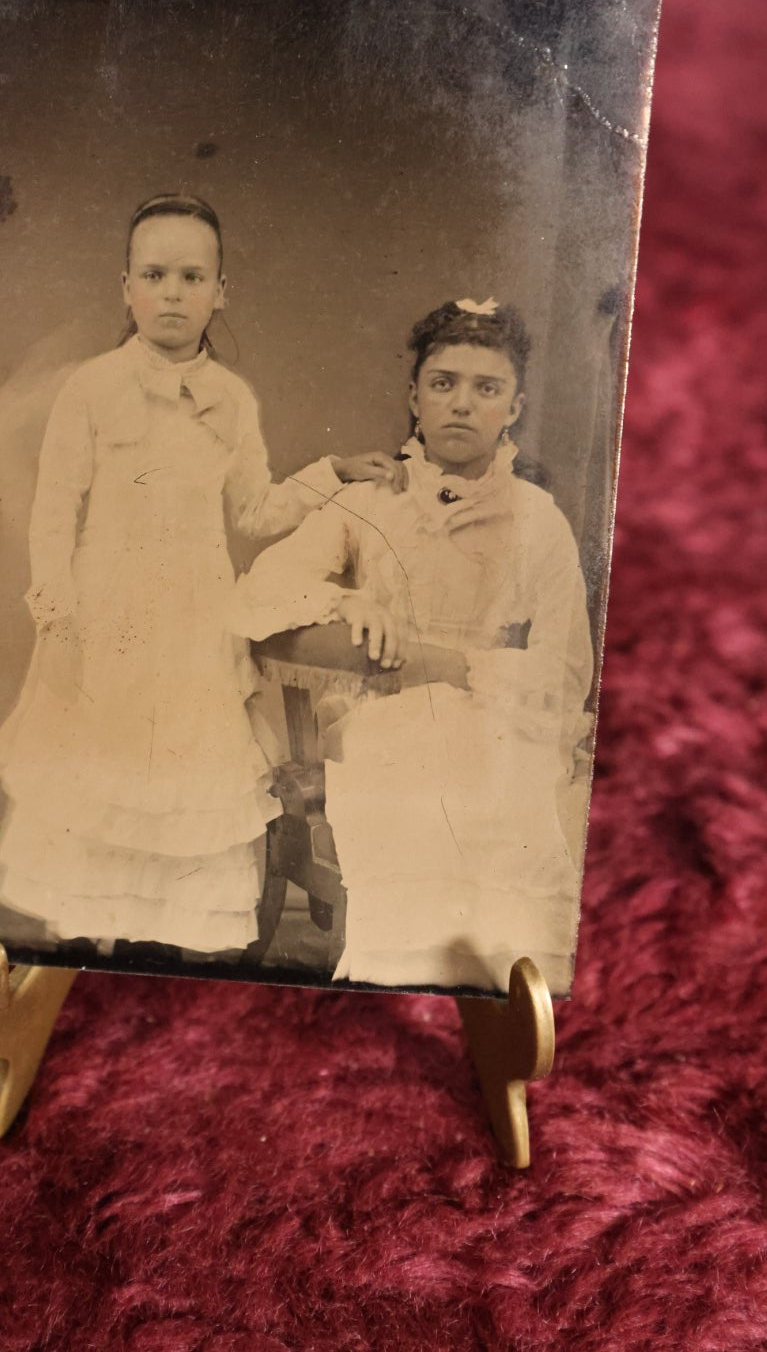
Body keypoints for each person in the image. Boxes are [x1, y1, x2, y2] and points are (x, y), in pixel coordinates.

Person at [0, 194, 404, 956]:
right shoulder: (91, 389)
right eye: (154, 274)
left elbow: (254, 510)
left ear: (220, 290)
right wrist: (61, 618)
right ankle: (93, 952)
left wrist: (334, 471)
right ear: (126, 288)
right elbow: (54, 513)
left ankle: (159, 957)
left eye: (191, 275)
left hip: (193, 627)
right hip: (107, 620)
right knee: (103, 786)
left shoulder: (231, 400)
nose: (173, 292)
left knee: (181, 788)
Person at [232, 298, 594, 993]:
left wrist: (456, 667)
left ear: (514, 407)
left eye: (486, 389)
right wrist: (348, 599)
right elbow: (260, 591)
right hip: (380, 714)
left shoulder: (537, 520)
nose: (461, 404)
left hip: (492, 712)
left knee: (515, 787)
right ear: (415, 397)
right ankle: (395, 982)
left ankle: (497, 989)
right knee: (409, 765)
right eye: (443, 383)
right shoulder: (372, 500)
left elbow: (566, 670)